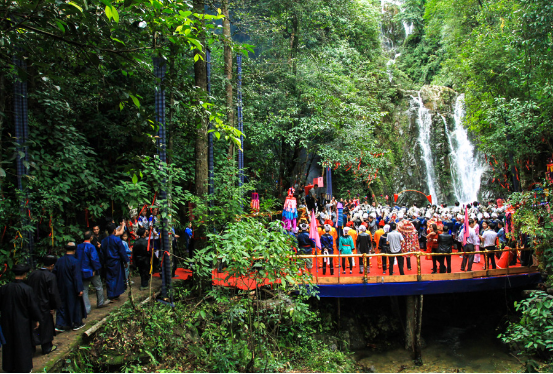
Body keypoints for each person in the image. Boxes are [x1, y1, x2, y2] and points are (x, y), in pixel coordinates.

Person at [0, 264, 41, 373]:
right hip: (22, 321)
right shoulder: (27, 289)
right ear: (24, 274)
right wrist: (36, 319)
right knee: (23, 344)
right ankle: (24, 367)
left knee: (8, 343)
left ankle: (8, 366)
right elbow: (32, 306)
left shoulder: (4, 288)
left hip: (7, 320)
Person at [26, 255, 61, 354]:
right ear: (52, 265)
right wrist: (54, 306)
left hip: (33, 304)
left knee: (34, 326)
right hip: (45, 305)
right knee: (46, 326)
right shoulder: (50, 276)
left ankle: (32, 348)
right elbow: (53, 293)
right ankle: (47, 347)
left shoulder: (33, 274)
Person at [54, 243, 86, 331]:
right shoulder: (75, 261)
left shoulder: (59, 260)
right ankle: (76, 323)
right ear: (74, 250)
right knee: (75, 304)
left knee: (62, 304)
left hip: (61, 286)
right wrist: (79, 289)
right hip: (71, 287)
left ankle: (60, 324)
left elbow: (55, 273)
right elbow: (77, 276)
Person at [76, 231, 109, 312]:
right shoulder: (91, 247)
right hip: (91, 271)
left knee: (84, 290)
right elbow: (94, 259)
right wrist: (95, 269)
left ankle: (86, 309)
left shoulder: (78, 247)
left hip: (81, 271)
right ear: (91, 237)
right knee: (98, 286)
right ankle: (100, 302)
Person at [101, 223, 130, 301]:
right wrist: (126, 261)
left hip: (108, 262)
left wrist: (103, 262)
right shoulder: (117, 240)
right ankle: (115, 294)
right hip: (116, 262)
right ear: (114, 230)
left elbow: (102, 252)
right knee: (117, 278)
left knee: (110, 278)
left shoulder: (104, 241)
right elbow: (122, 251)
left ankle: (112, 294)